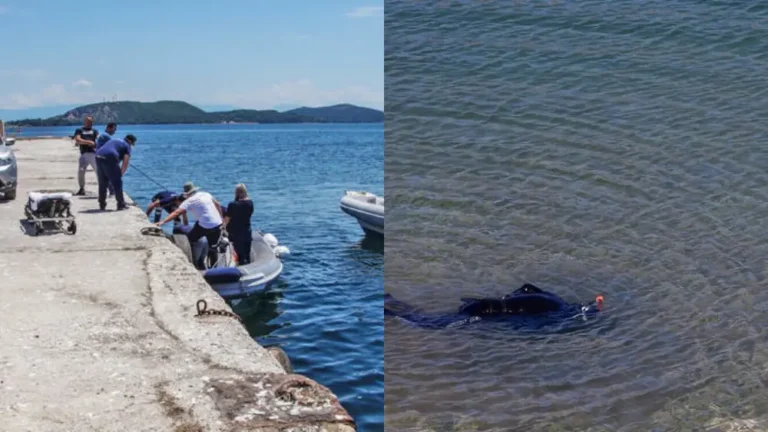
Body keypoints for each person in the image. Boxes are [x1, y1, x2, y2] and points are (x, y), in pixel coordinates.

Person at [155, 182, 224, 269]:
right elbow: (217, 205)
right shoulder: (205, 194)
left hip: (205, 226)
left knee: (190, 239)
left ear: (186, 194)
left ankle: (195, 263)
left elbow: (176, 213)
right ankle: (214, 269)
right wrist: (221, 219)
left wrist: (162, 222)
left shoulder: (189, 201)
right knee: (213, 247)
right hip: (217, 223)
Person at [95, 134, 137, 211]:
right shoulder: (127, 146)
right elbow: (125, 162)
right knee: (118, 183)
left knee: (102, 182)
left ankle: (102, 203)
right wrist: (120, 174)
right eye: (132, 144)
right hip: (110, 156)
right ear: (130, 141)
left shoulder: (114, 140)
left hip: (98, 155)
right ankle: (121, 204)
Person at [224, 183, 254, 265]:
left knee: (239, 255)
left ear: (236, 193)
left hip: (235, 233)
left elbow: (227, 219)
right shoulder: (250, 203)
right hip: (247, 231)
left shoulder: (232, 205)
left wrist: (223, 228)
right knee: (247, 255)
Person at [73, 116, 99, 195]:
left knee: (98, 171)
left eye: (91, 121)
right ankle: (82, 188)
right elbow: (78, 140)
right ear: (84, 122)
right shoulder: (79, 130)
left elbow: (98, 140)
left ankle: (103, 188)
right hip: (83, 154)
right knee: (81, 172)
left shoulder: (95, 131)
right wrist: (89, 142)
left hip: (93, 154)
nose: (89, 123)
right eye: (87, 121)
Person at [95, 122, 117, 196]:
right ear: (109, 128)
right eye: (114, 129)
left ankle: (110, 191)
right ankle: (112, 191)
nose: (115, 131)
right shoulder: (106, 136)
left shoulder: (103, 135)